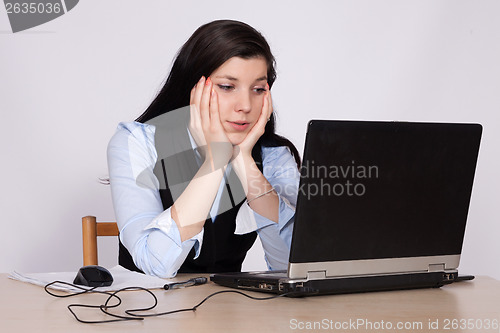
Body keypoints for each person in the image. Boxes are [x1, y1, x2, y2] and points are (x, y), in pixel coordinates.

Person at [107, 19, 301, 278]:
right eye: (227, 87)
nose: (245, 105)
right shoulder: (135, 143)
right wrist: (215, 161)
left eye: (257, 89)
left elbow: (297, 269)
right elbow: (154, 263)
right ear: (193, 87)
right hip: (147, 312)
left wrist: (245, 164)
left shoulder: (273, 156)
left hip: (232, 314)